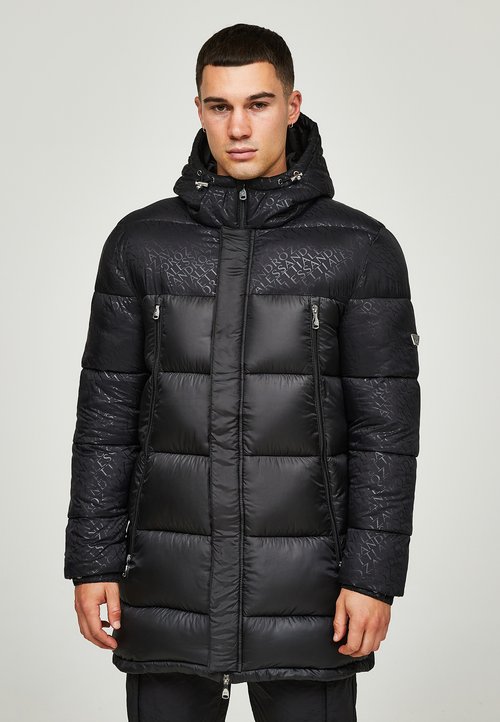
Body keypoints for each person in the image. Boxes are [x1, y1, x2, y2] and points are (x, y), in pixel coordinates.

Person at [64, 22, 421, 722]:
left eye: (258, 104)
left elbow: (386, 435)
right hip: (167, 585)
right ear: (198, 109)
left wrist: (373, 578)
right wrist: (94, 560)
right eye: (219, 106)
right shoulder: (141, 244)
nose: (238, 127)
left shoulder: (361, 249)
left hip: (312, 594)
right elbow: (106, 418)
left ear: (292, 105)